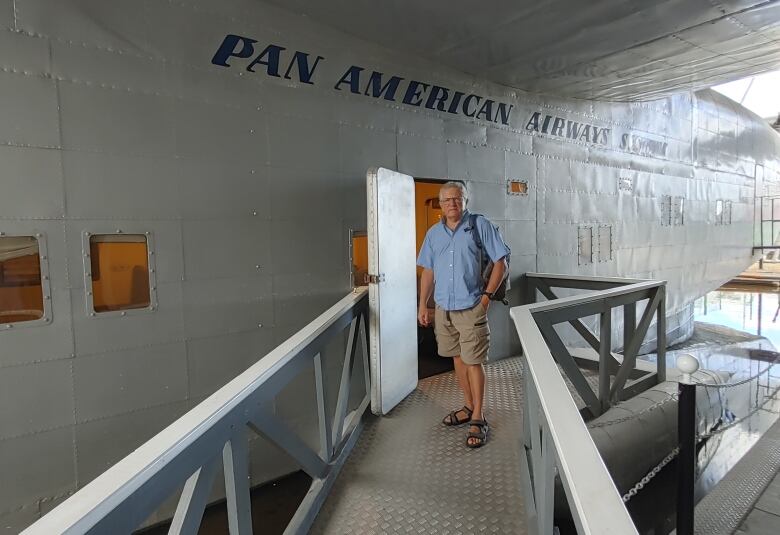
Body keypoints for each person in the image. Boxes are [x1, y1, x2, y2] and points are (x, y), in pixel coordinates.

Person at [417, 181, 510, 448]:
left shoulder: (480, 225)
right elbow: (429, 272)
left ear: (465, 200)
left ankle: (478, 416)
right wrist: (423, 304)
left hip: (471, 306)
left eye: (457, 199)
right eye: (446, 200)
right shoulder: (434, 234)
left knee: (474, 361)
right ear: (441, 204)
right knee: (457, 359)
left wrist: (487, 298)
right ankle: (468, 406)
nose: (452, 204)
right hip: (444, 308)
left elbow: (500, 262)